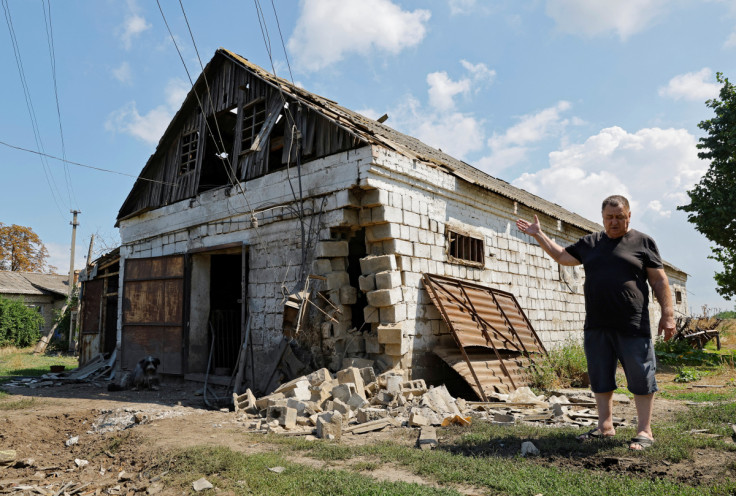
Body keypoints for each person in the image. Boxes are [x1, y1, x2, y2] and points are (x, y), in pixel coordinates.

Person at [516, 195, 675, 450]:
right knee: (600, 377)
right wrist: (539, 235)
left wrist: (668, 314)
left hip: (633, 325)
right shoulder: (591, 243)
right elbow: (563, 257)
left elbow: (659, 280)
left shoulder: (642, 242)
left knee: (641, 377)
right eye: (609, 217)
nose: (614, 222)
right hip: (597, 324)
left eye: (620, 217)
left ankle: (645, 431)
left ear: (629, 216)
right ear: (602, 218)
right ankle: (605, 426)